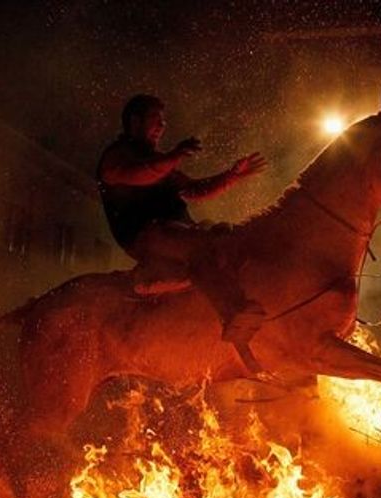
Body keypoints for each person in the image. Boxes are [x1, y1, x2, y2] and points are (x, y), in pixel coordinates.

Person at [97, 94, 267, 355]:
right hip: (148, 236)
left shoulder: (158, 162)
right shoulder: (116, 158)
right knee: (201, 247)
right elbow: (140, 175)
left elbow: (195, 190)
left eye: (163, 121)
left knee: (225, 236)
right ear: (135, 121)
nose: (162, 126)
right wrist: (173, 157)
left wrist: (233, 175)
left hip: (179, 230)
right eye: (156, 119)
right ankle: (233, 314)